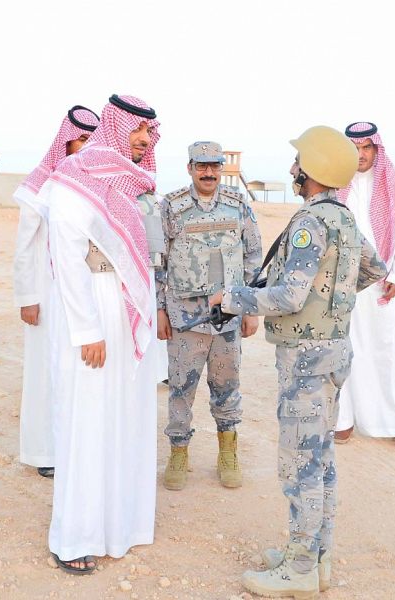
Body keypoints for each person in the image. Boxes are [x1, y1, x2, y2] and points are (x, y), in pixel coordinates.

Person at [210, 126, 387, 598]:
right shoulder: (344, 218)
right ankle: (315, 557)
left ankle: (301, 567)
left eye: (298, 162)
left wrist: (231, 299)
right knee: (321, 459)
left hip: (307, 360)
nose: (292, 169)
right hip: (333, 352)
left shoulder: (312, 222)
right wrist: (332, 299)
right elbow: (375, 269)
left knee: (300, 464)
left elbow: (289, 296)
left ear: (312, 169)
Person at [42, 94, 160, 574]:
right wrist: (87, 329)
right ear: (116, 126)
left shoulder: (133, 181)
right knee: (87, 422)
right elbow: (67, 257)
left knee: (126, 417)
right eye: (137, 130)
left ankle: (121, 526)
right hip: (92, 306)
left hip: (127, 308)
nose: (145, 140)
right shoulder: (77, 175)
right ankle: (75, 536)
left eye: (149, 132)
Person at [156, 141, 262, 490]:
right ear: (189, 168)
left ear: (221, 168)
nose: (208, 172)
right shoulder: (171, 207)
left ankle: (228, 452)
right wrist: (159, 309)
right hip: (185, 319)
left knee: (227, 388)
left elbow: (253, 256)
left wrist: (251, 307)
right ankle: (178, 453)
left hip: (228, 317)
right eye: (201, 166)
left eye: (215, 166)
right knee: (181, 389)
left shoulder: (237, 204)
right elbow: (158, 261)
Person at [13, 105, 100, 478]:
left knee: (81, 374)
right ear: (65, 143)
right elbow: (24, 247)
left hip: (85, 295)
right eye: (80, 140)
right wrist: (27, 297)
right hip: (47, 298)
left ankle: (78, 449)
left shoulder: (95, 185)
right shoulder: (42, 186)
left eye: (92, 140)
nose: (86, 147)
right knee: (45, 373)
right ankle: (45, 452)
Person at [334, 121, 395, 451]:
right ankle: (343, 421)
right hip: (343, 283)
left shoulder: (394, 185)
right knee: (343, 349)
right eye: (354, 148)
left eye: (366, 147)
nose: (360, 154)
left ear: (376, 149)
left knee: (386, 350)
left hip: (382, 285)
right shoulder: (334, 183)